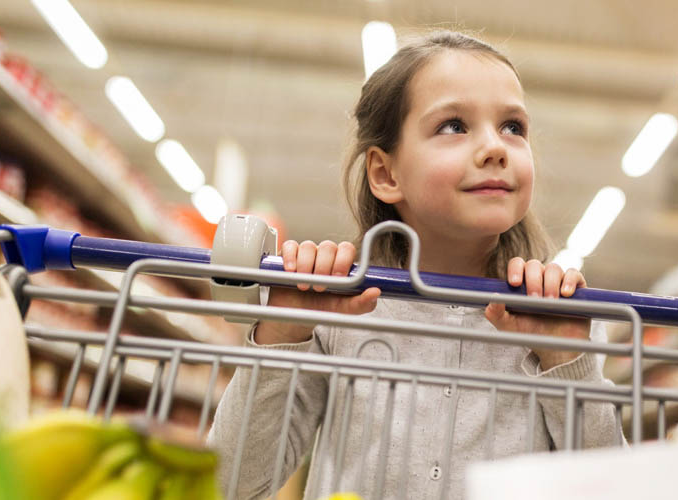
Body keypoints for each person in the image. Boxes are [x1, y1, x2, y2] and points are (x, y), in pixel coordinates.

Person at [208, 30, 622, 499]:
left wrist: (567, 362)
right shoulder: (341, 310)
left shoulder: (560, 318)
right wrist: (284, 331)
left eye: (513, 127)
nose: (496, 147)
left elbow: (608, 490)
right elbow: (228, 487)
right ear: (386, 174)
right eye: (453, 126)